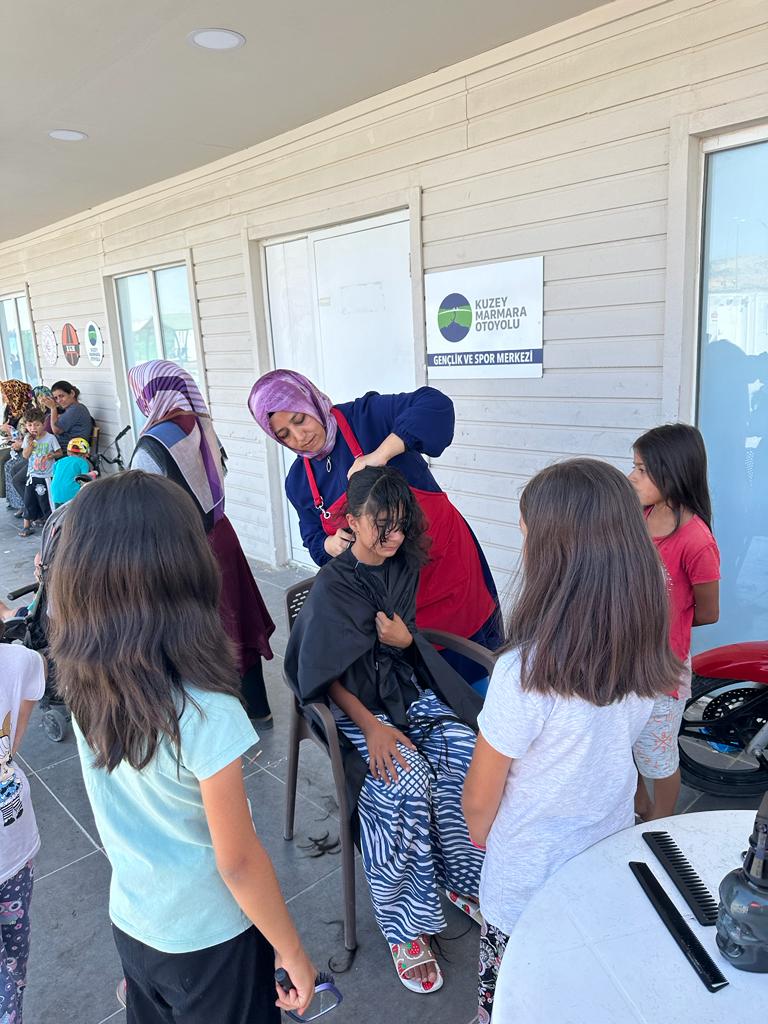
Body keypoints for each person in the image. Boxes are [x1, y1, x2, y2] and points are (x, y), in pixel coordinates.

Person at [48, 471, 316, 1023]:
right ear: (184, 572)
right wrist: (291, 949)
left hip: (135, 923)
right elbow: (238, 862)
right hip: (213, 937)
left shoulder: (81, 681)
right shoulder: (206, 710)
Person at [462, 459, 679, 1022]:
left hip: (523, 884)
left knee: (515, 1003)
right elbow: (644, 757)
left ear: (554, 556)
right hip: (604, 863)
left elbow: (480, 805)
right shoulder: (650, 651)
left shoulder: (523, 673)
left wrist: (486, 841)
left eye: (527, 535)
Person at [284, 465, 484, 995]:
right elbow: (321, 677)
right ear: (353, 519)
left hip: (397, 686)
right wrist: (371, 727)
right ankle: (404, 925)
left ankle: (457, 876)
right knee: (406, 781)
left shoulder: (404, 564)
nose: (393, 536)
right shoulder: (332, 587)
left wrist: (402, 641)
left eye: (401, 525)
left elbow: (405, 635)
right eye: (381, 524)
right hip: (351, 705)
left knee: (467, 750)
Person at [248, 370, 502, 682]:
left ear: (312, 401)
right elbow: (313, 538)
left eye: (300, 419)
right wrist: (329, 546)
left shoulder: (366, 419)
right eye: (284, 434)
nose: (299, 437)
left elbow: (435, 406)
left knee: (474, 674)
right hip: (393, 600)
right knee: (420, 686)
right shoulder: (299, 482)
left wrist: (381, 455)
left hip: (448, 572)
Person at [128, 360, 275, 725]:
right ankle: (257, 709)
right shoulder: (201, 425)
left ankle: (222, 725)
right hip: (221, 535)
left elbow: (144, 508)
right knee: (236, 619)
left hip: (183, 548)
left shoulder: (153, 442)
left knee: (203, 630)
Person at [629, 423, 720, 820]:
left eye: (643, 470)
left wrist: (669, 626)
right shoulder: (638, 517)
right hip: (624, 660)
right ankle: (638, 808)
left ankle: (661, 822)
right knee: (624, 745)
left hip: (662, 672)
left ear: (675, 472)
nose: (632, 477)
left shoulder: (696, 540)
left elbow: (708, 612)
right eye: (634, 466)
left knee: (657, 756)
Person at [0, 645, 46, 1023]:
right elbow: (11, 745)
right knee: (13, 964)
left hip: (14, 849)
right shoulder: (19, 661)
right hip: (13, 835)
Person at [18, 408, 61, 538]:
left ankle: (52, 524)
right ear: (26, 426)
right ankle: (26, 525)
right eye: (30, 425)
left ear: (43, 424)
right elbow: (25, 456)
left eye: (36, 424)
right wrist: (30, 445)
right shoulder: (27, 439)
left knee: (46, 501)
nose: (33, 428)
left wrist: (51, 455)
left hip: (46, 476)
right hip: (32, 475)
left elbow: (60, 452)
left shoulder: (50, 438)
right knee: (28, 500)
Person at [1, 380, 32, 502]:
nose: (4, 397)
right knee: (2, 457)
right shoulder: (9, 409)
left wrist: (20, 441)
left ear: (15, 393)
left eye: (5, 393)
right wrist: (2, 430)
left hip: (24, 446)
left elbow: (30, 434)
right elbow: (5, 430)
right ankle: (11, 498)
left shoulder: (28, 410)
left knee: (8, 464)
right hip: (13, 443)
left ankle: (20, 502)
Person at [39, 380, 93, 449]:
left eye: (61, 396)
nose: (59, 400)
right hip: (59, 447)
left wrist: (53, 408)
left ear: (72, 393)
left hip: (70, 451)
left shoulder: (76, 409)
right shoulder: (72, 408)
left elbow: (56, 430)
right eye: (56, 398)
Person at [50, 437, 91, 508]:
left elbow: (54, 474)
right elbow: (85, 479)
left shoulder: (59, 461)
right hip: (71, 495)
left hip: (55, 493)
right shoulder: (83, 462)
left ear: (68, 452)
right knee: (73, 515)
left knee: (59, 514)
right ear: (86, 453)